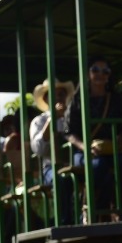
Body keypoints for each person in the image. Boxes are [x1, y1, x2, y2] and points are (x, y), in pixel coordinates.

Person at [68, 56, 122, 221]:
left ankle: (120, 207)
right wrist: (86, 147)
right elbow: (68, 132)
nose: (100, 74)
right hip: (85, 151)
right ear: (87, 74)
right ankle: (92, 208)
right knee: (98, 165)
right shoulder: (77, 101)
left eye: (105, 71)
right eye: (95, 70)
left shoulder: (116, 99)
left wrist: (121, 139)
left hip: (112, 149)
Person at [31, 79, 77, 224]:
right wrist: (52, 120)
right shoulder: (39, 121)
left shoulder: (74, 117)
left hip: (75, 163)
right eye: (54, 94)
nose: (58, 98)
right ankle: (65, 223)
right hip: (51, 168)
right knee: (62, 179)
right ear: (46, 99)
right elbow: (38, 149)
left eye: (61, 94)